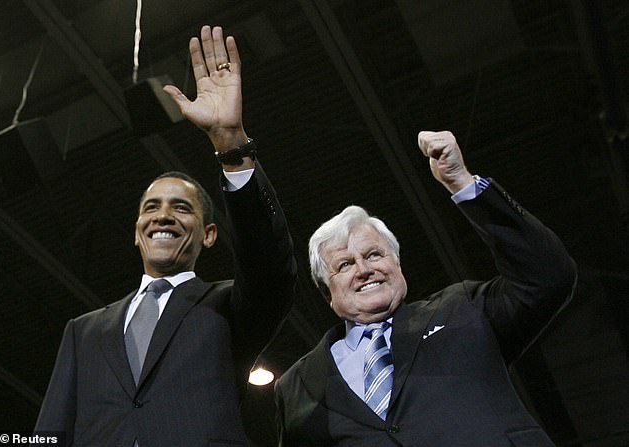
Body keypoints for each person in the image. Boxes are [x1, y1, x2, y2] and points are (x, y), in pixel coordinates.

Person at [35, 25, 297, 447]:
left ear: (209, 235)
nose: (164, 217)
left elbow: (270, 263)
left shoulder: (230, 307)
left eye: (182, 208)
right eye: (151, 208)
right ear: (136, 233)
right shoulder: (82, 332)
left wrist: (231, 144)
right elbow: (49, 434)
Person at [274, 130, 577, 446]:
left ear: (397, 265)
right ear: (327, 292)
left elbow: (549, 277)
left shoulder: (465, 309)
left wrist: (461, 181)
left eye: (374, 254)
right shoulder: (296, 386)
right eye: (346, 265)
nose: (364, 269)